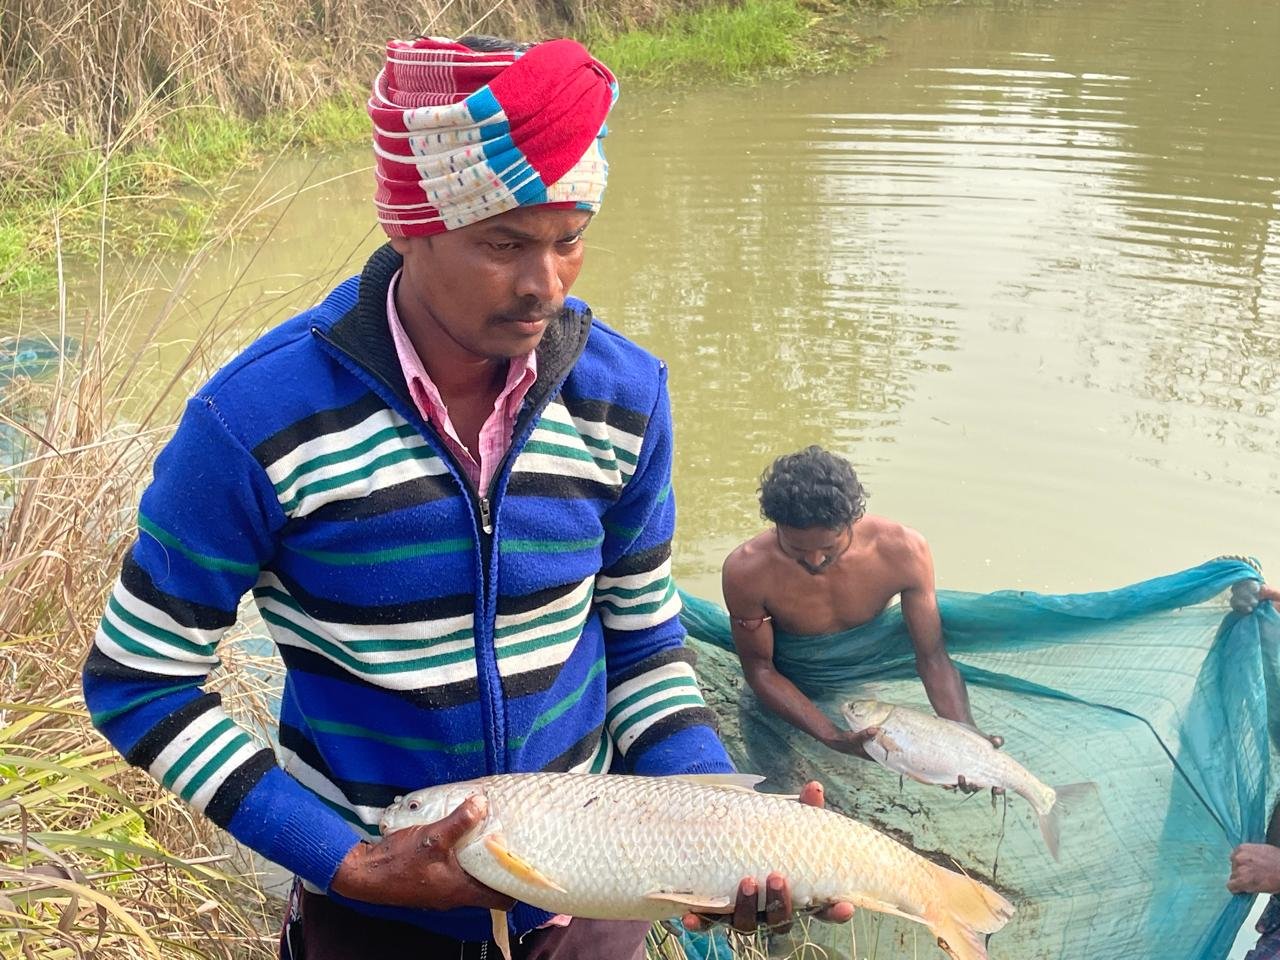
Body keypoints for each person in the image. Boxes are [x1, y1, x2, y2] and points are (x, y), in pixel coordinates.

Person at [81, 34, 849, 960]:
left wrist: (714, 826)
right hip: (369, 921)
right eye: (504, 244)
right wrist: (347, 861)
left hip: (596, 907)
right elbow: (139, 678)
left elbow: (642, 642)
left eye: (570, 242)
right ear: (409, 227)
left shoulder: (624, 397)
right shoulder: (254, 422)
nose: (544, 286)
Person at [722, 445, 1000, 771]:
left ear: (853, 520)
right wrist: (832, 736)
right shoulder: (747, 572)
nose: (814, 560)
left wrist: (967, 741)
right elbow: (760, 670)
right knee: (772, 782)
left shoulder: (903, 552)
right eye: (795, 548)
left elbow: (932, 658)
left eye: (829, 546)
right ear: (776, 526)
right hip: (780, 693)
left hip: (857, 691)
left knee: (854, 781)